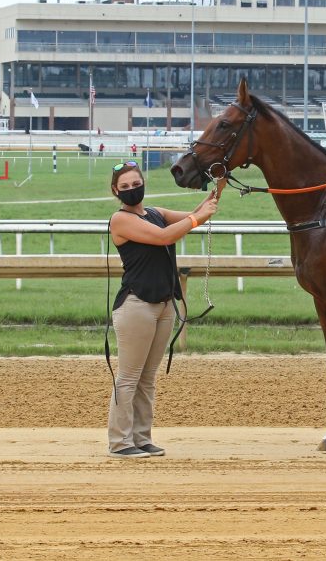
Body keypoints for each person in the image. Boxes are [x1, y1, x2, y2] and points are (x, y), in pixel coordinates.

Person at [107, 160, 219, 458]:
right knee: (129, 377)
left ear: (143, 182)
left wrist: (216, 189)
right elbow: (164, 237)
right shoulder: (120, 220)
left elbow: (196, 215)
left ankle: (141, 438)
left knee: (147, 378)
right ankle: (120, 442)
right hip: (135, 306)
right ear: (115, 191)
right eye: (126, 186)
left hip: (163, 305)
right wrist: (198, 219)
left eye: (136, 183)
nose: (133, 189)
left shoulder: (155, 213)